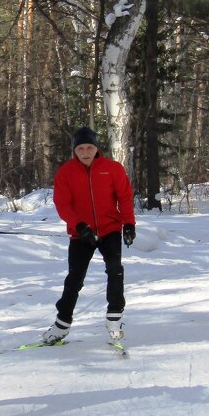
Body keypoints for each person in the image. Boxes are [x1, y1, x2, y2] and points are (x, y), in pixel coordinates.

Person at [42, 126, 136, 345]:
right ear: (75, 150)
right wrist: (79, 226)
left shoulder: (112, 169)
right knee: (74, 279)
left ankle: (114, 318)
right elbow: (62, 204)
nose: (85, 152)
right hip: (81, 233)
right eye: (81, 148)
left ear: (97, 148)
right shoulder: (65, 172)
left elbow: (125, 197)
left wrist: (129, 224)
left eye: (90, 147)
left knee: (115, 269)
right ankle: (61, 324)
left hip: (109, 228)